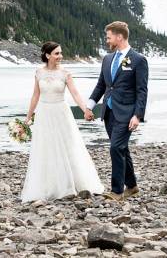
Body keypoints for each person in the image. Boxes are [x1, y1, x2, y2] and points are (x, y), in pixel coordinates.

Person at [20, 41, 105, 202]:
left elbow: (75, 94)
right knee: (47, 148)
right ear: (47, 55)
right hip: (44, 113)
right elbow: (35, 96)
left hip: (61, 112)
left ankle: (72, 184)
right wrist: (28, 117)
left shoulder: (65, 73)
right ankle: (49, 186)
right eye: (57, 53)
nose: (60, 56)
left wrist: (85, 109)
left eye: (60, 53)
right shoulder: (38, 73)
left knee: (68, 146)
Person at [85, 21, 148, 201]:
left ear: (119, 37)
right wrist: (89, 106)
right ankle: (133, 186)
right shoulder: (107, 59)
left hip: (127, 113)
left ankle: (117, 191)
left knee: (115, 148)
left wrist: (138, 115)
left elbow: (142, 91)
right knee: (121, 148)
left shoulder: (138, 60)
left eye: (109, 36)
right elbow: (101, 85)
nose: (107, 40)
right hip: (109, 112)